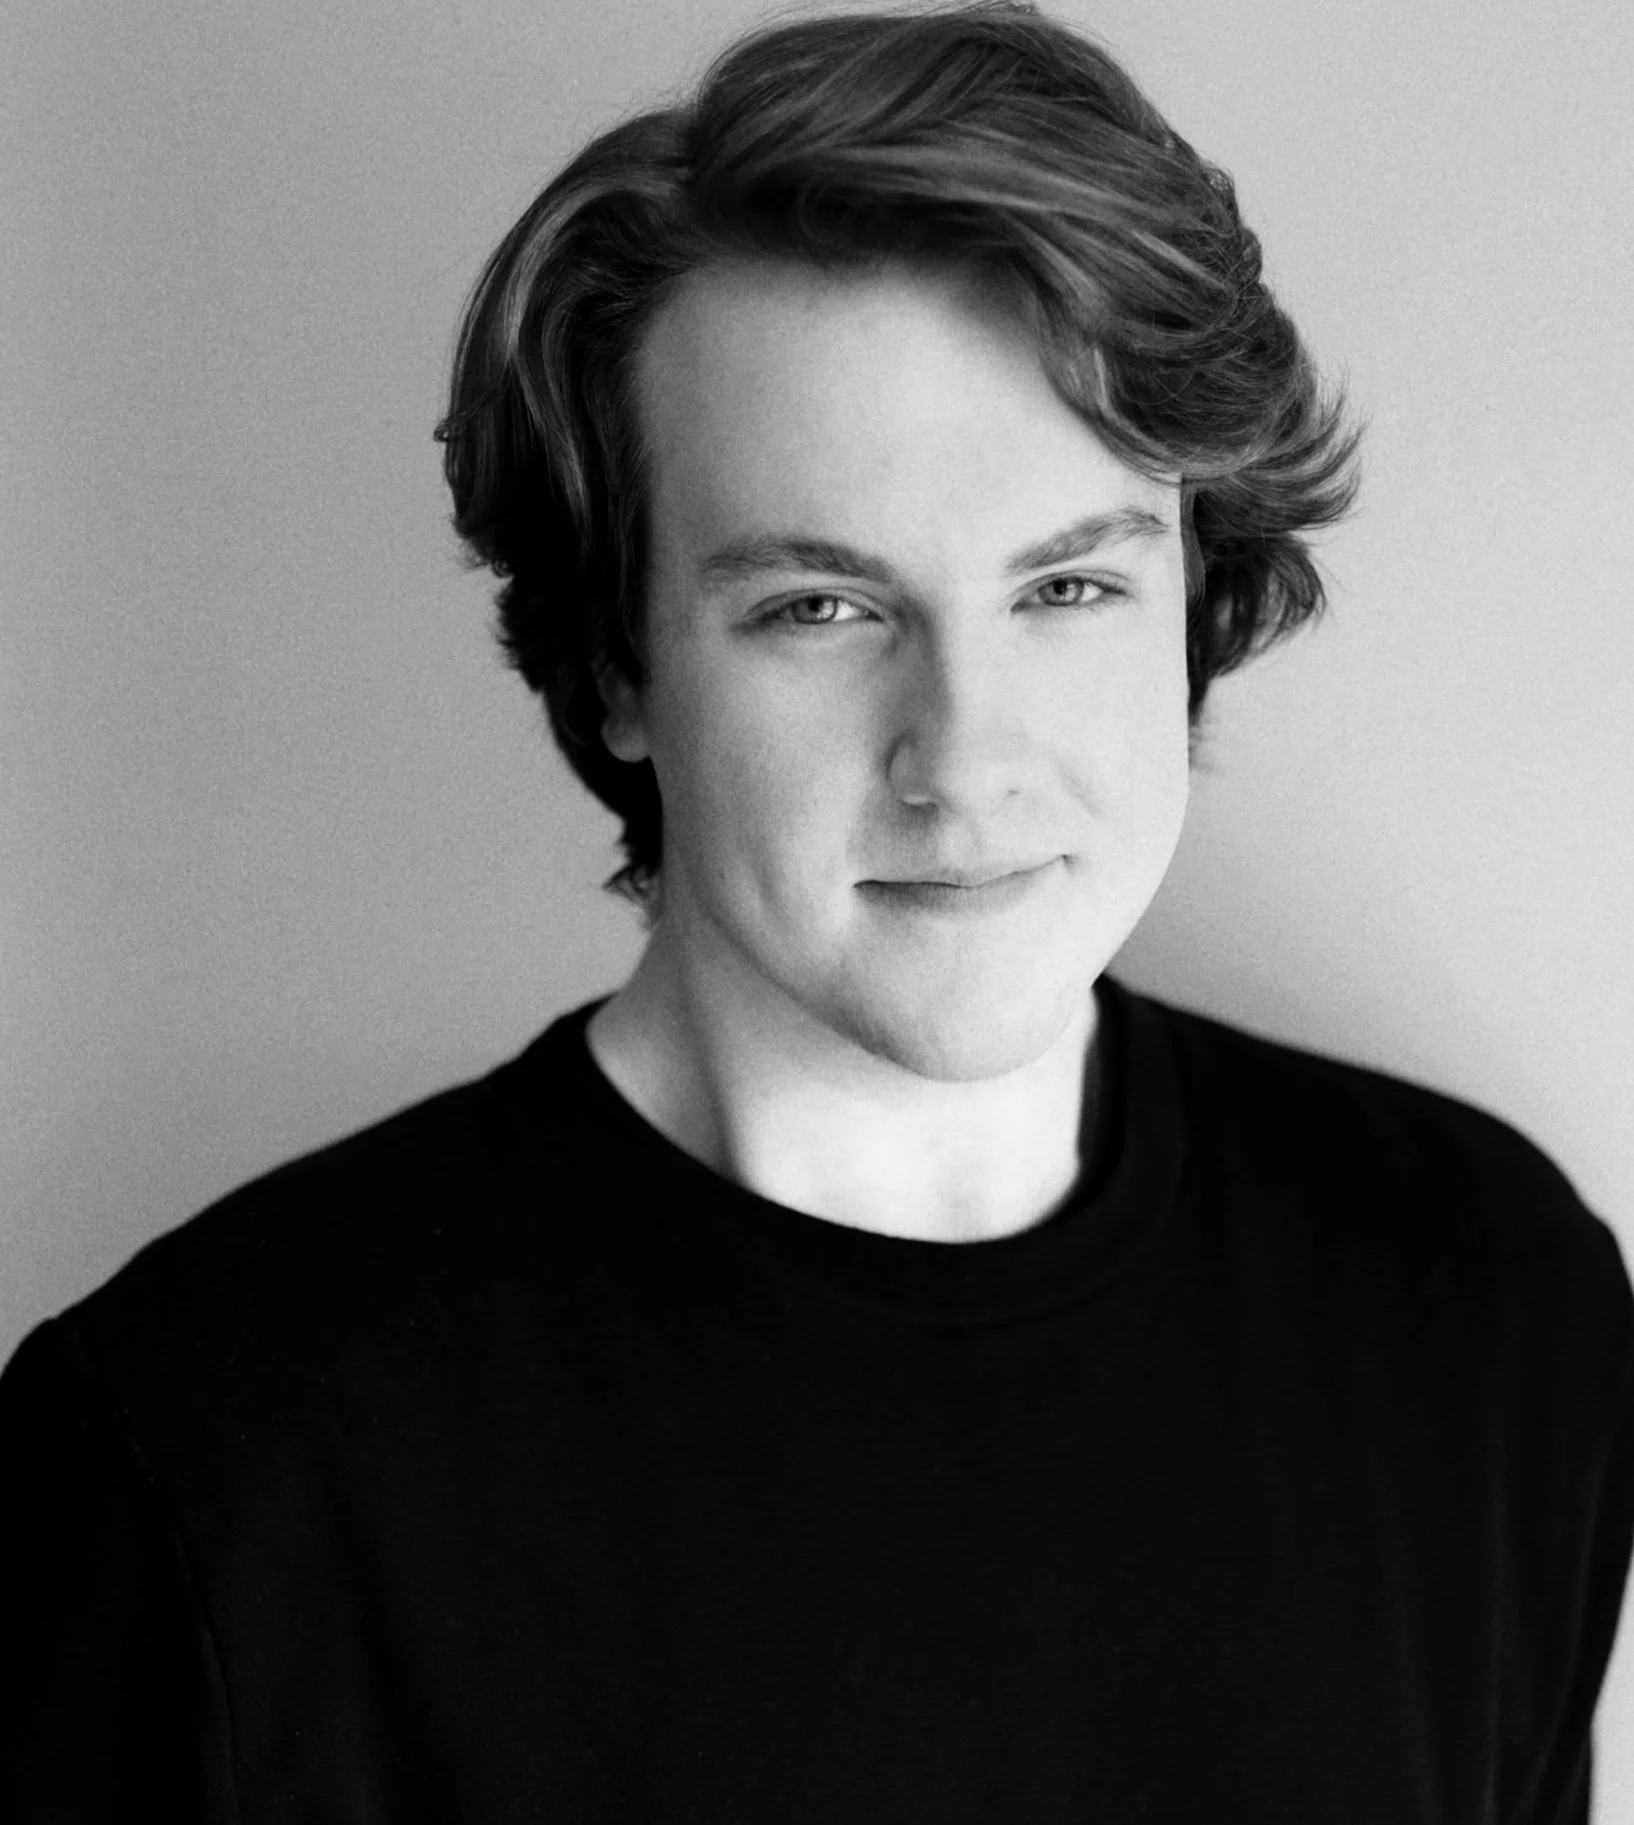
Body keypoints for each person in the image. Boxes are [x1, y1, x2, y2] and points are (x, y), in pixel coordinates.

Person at [3, 3, 1630, 1818]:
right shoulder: (200, 1455)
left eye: (1072, 586)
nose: (965, 757)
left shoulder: (1485, 1316)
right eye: (820, 609)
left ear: (1201, 595)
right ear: (619, 663)